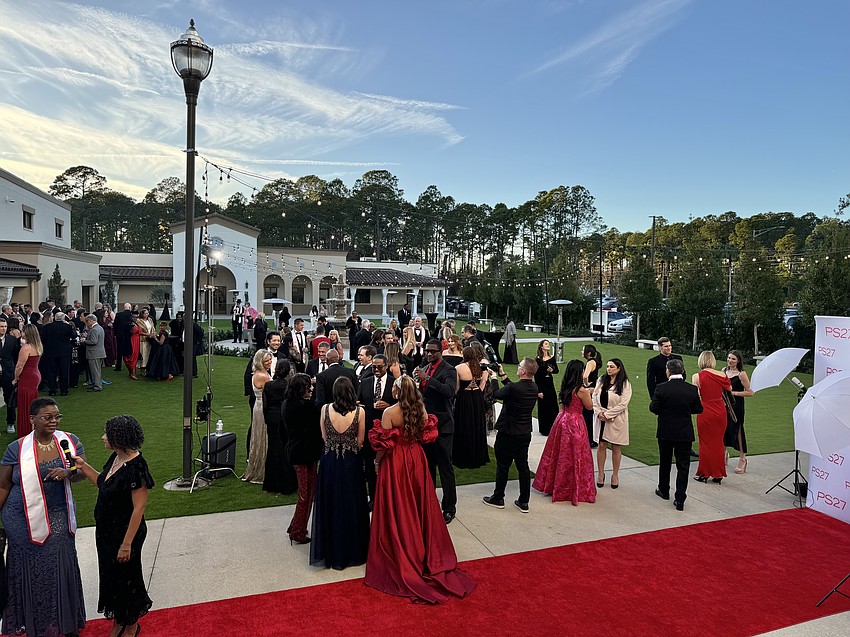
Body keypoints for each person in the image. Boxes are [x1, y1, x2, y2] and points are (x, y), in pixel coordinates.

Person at [364, 375, 476, 603]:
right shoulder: (421, 410)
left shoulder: (389, 413)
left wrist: (376, 463)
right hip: (416, 459)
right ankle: (421, 545)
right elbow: (425, 435)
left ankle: (401, 545)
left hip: (396, 462)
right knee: (418, 503)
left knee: (398, 503)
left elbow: (384, 446)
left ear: (397, 391)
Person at [0, 397, 87, 636]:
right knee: (29, 569)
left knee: (59, 563)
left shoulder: (70, 441)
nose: (54, 421)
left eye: (57, 417)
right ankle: (35, 624)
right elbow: (4, 485)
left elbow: (82, 473)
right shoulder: (16, 448)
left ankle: (64, 623)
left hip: (58, 513)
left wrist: (68, 472)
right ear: (32, 419)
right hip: (19, 517)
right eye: (48, 417)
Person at [72, 414, 154, 637]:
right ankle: (119, 619)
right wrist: (83, 466)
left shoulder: (137, 466)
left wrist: (126, 545)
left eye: (107, 434)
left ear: (119, 438)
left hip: (126, 534)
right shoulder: (115, 458)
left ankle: (131, 625)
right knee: (111, 577)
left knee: (128, 578)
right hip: (106, 532)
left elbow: (138, 508)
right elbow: (103, 483)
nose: (103, 437)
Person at [310, 377, 370, 569]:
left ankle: (331, 550)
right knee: (352, 503)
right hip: (351, 463)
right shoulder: (360, 412)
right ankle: (353, 549)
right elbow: (361, 440)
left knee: (331, 502)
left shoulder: (325, 409)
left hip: (330, 462)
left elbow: (324, 436)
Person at [532, 360, 597, 505]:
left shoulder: (566, 385)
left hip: (562, 419)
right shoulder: (581, 390)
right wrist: (589, 392)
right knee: (576, 455)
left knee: (559, 454)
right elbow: (589, 406)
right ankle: (573, 488)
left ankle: (554, 484)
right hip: (575, 423)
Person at [483, 357, 539, 513]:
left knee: (503, 466)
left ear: (523, 371)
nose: (518, 367)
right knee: (523, 466)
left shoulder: (514, 388)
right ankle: (524, 501)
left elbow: (497, 393)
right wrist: (503, 375)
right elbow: (512, 389)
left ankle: (498, 497)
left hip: (508, 432)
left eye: (520, 365)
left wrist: (494, 377)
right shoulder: (533, 387)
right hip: (524, 433)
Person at [650, 359, 703, 511]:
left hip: (666, 431)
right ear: (682, 371)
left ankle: (664, 490)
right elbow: (699, 409)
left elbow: (654, 408)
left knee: (665, 461)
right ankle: (680, 498)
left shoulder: (661, 388)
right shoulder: (691, 389)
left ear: (668, 371)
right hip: (684, 432)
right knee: (683, 466)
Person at [416, 340, 458, 524]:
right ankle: (430, 503)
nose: (429, 354)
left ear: (441, 351)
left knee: (445, 468)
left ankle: (449, 508)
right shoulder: (426, 367)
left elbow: (449, 391)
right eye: (427, 351)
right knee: (428, 467)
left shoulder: (449, 370)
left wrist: (427, 379)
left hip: (443, 426)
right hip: (426, 426)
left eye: (433, 351)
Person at [283, 374, 323, 545]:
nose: (311, 389)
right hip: (304, 455)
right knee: (305, 494)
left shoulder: (287, 404)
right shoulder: (306, 407)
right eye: (308, 386)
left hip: (296, 452)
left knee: (306, 493)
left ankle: (296, 526)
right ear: (301, 389)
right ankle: (298, 531)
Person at [356, 354, 397, 507]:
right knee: (370, 466)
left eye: (380, 367)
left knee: (388, 466)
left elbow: (401, 405)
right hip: (369, 431)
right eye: (374, 367)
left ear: (386, 366)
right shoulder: (365, 382)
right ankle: (373, 498)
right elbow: (359, 402)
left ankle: (389, 497)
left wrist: (388, 406)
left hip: (389, 432)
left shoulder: (394, 382)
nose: (377, 370)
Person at [692, 351, 732, 484]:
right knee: (719, 442)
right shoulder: (722, 374)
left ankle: (704, 473)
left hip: (705, 411)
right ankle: (718, 474)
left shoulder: (697, 376)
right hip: (720, 410)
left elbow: (696, 395)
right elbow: (729, 387)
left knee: (705, 443)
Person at [592, 358, 632, 489]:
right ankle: (600, 474)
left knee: (616, 447)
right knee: (601, 445)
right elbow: (594, 397)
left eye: (612, 367)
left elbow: (623, 404)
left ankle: (615, 475)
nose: (609, 369)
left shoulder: (625, 384)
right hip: (601, 418)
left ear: (619, 369)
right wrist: (599, 412)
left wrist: (608, 415)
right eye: (608, 366)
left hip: (616, 420)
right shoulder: (601, 380)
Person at [262, 360, 298, 495]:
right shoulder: (289, 386)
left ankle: (270, 484)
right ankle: (286, 485)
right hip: (284, 420)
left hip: (272, 419)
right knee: (285, 451)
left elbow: (265, 405)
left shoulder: (268, 385)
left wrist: (267, 420)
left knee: (272, 450)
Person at [452, 346, 490, 470]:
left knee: (464, 425)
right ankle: (477, 456)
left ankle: (464, 457)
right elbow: (483, 384)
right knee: (477, 424)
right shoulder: (481, 367)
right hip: (477, 398)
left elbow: (457, 388)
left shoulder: (458, 368)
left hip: (464, 398)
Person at [243, 349, 272, 483]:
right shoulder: (262, 376)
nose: (269, 362)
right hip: (262, 408)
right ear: (260, 362)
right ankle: (261, 469)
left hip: (259, 406)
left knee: (261, 436)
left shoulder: (260, 373)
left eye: (270, 360)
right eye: (266, 361)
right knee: (262, 436)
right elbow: (270, 394)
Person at [723, 350, 753, 475]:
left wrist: (734, 393)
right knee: (724, 428)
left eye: (733, 359)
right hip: (725, 405)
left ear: (738, 360)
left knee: (738, 430)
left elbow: (750, 392)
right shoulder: (724, 371)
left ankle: (742, 459)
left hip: (737, 406)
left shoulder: (742, 374)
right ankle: (723, 454)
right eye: (729, 358)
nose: (730, 361)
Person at [13, 324, 43, 437]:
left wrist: (15, 378)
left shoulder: (26, 348)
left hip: (27, 377)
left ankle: (26, 431)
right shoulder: (38, 346)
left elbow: (19, 366)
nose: (21, 333)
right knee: (32, 404)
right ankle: (33, 430)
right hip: (35, 375)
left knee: (25, 404)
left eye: (23, 331)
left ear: (27, 333)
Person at [41, 311, 75, 397]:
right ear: (63, 318)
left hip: (51, 352)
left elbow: (43, 338)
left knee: (52, 371)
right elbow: (73, 336)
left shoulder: (47, 327)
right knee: (64, 371)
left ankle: (52, 390)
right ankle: (64, 390)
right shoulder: (67, 327)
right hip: (64, 352)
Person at [534, 339, 559, 436]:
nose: (548, 345)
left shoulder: (552, 358)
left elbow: (557, 370)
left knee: (553, 405)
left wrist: (552, 370)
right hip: (542, 385)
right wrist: (539, 391)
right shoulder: (538, 360)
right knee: (543, 407)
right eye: (546, 344)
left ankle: (554, 428)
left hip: (550, 384)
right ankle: (545, 429)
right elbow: (536, 377)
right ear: (541, 347)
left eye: (548, 344)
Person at [0, 318, 21, 433]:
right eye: (1, 326)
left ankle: (11, 422)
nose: (3, 329)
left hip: (8, 373)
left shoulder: (12, 340)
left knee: (10, 399)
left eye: (5, 326)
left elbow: (16, 356)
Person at [581, 344, 603, 448]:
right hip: (593, 388)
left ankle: (590, 439)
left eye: (583, 350)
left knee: (587, 415)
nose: (581, 352)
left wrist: (585, 385)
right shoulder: (594, 362)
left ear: (588, 353)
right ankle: (591, 438)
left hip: (590, 390)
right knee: (589, 414)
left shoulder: (590, 362)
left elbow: (585, 376)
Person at [84, 314, 106, 392]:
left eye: (87, 321)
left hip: (94, 353)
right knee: (97, 370)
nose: (86, 323)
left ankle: (97, 386)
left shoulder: (94, 329)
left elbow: (93, 341)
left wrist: (84, 340)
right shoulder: (100, 328)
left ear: (91, 320)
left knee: (95, 371)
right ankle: (96, 384)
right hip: (99, 352)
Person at [113, 303, 134, 372]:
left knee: (119, 350)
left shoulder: (118, 315)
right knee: (129, 350)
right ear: (130, 307)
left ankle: (118, 366)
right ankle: (130, 364)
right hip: (129, 335)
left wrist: (115, 333)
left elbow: (115, 325)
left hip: (120, 335)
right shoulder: (131, 315)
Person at [123, 314, 142, 380]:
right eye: (134, 317)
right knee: (132, 356)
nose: (135, 318)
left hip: (137, 341)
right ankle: (132, 373)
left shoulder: (136, 324)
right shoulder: (129, 325)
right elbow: (128, 333)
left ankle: (132, 373)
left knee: (135, 356)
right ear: (131, 317)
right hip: (132, 341)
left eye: (136, 317)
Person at [137, 307, 155, 372]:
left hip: (150, 339)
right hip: (143, 339)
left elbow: (152, 327)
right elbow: (139, 331)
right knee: (143, 354)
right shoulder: (139, 321)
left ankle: (148, 368)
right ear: (142, 314)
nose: (147, 314)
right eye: (145, 313)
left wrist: (152, 334)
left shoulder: (150, 320)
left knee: (148, 354)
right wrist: (147, 334)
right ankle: (142, 369)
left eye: (147, 313)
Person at [102, 303, 117, 368]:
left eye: (106, 307)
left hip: (109, 334)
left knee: (110, 347)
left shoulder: (110, 316)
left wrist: (111, 324)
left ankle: (111, 361)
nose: (105, 309)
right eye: (104, 307)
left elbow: (113, 322)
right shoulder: (101, 319)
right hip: (104, 334)